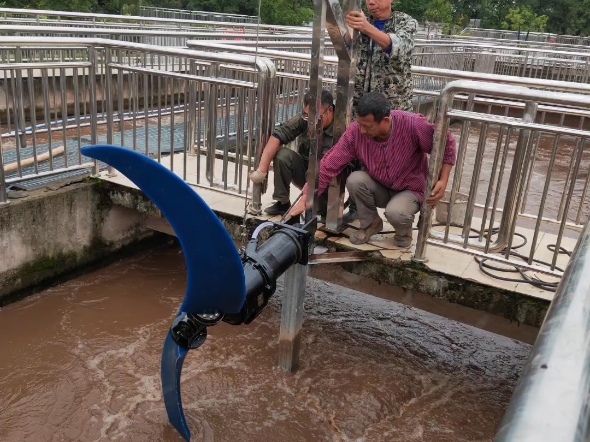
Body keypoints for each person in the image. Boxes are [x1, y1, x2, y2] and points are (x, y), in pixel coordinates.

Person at [287, 92, 457, 248]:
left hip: (410, 189)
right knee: (355, 179)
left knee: (395, 212)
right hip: (381, 186)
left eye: (368, 126)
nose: (362, 130)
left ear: (386, 121)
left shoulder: (413, 125)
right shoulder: (356, 132)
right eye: (360, 124)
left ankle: (404, 232)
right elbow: (329, 163)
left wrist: (443, 180)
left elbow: (446, 142)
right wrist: (306, 197)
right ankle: (371, 223)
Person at [249, 88, 356, 220]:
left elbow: (355, 167)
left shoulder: (344, 129)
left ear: (330, 110)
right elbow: (279, 134)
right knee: (283, 155)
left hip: (330, 181)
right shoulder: (306, 118)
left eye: (317, 117)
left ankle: (326, 209)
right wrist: (261, 170)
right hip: (307, 171)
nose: (311, 121)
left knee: (318, 210)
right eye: (308, 115)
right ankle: (282, 203)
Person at [346, 0, 417, 113]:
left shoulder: (405, 22)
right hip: (360, 107)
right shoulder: (362, 22)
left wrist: (366, 27)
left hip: (393, 107)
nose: (371, 2)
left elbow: (397, 47)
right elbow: (346, 48)